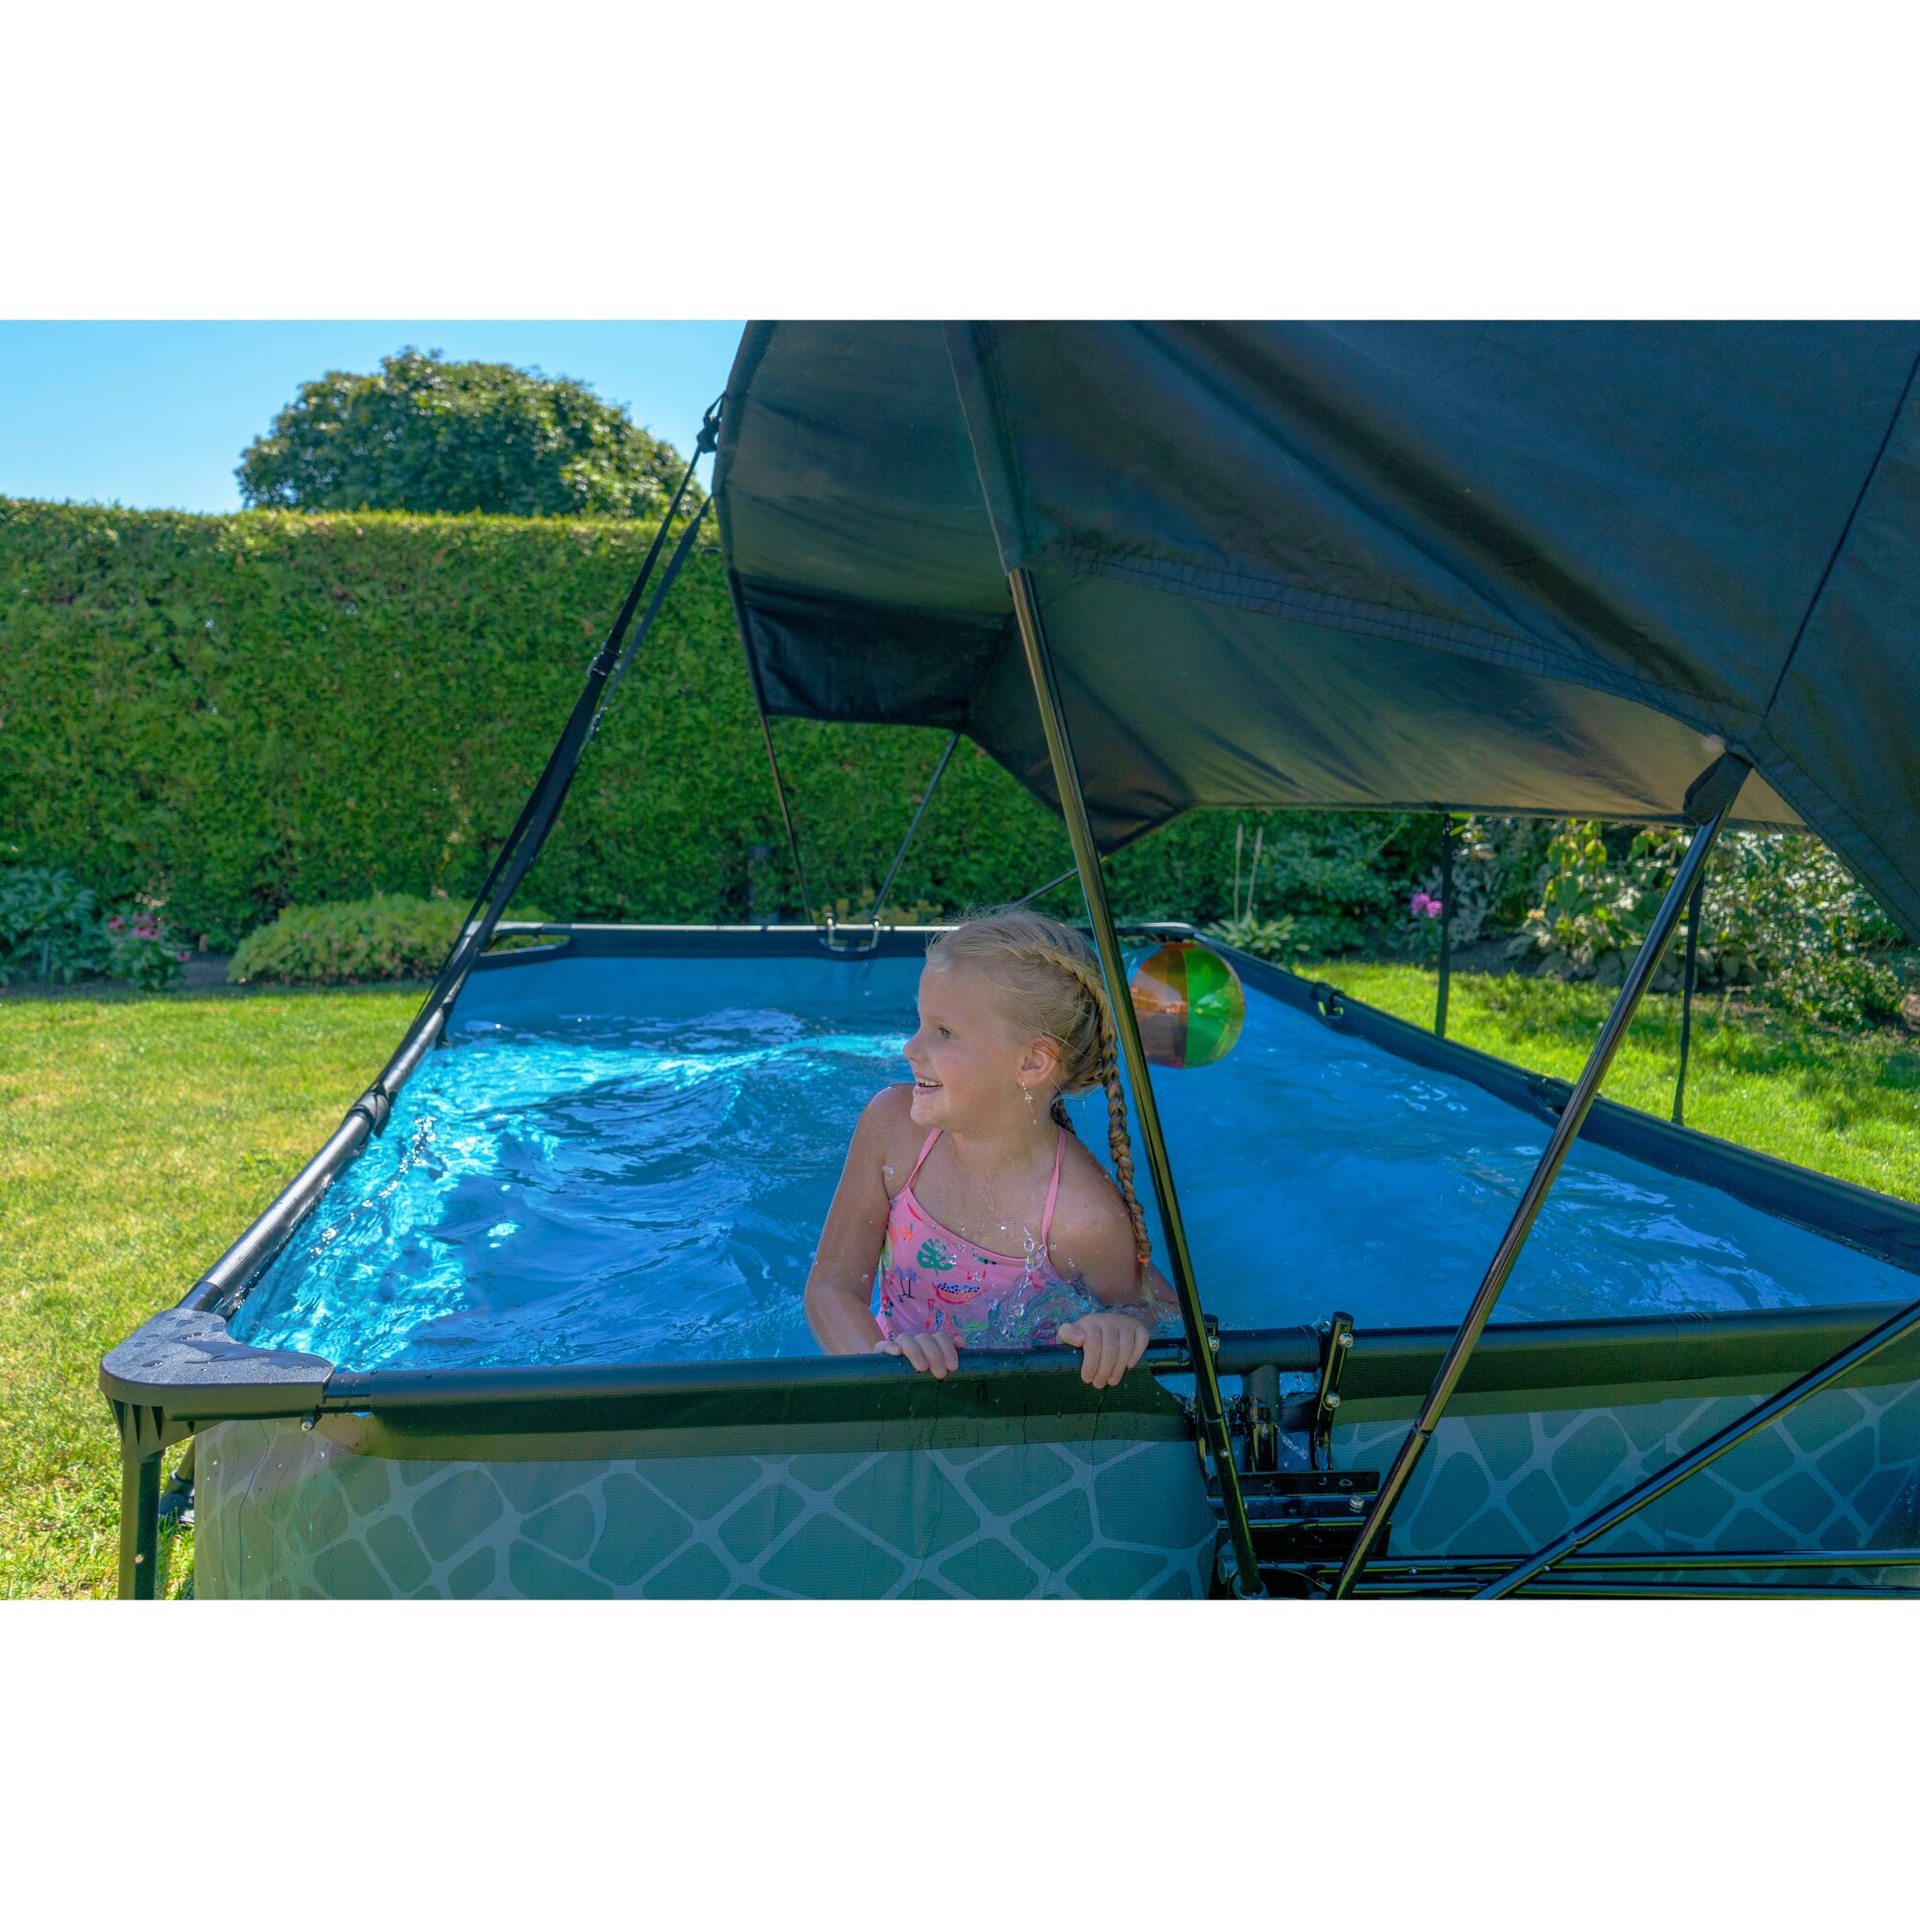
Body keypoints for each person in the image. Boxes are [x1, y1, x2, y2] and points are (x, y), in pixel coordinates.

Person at [805, 906, 1179, 1388]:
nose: (910, 1049)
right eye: (920, 1023)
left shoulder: (1081, 1216)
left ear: (1031, 1063)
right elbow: (831, 1286)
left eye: (944, 1032)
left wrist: (1122, 1329)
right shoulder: (892, 1130)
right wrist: (883, 1371)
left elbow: (1162, 1314)